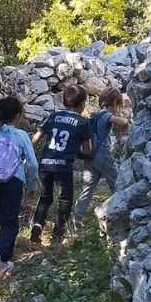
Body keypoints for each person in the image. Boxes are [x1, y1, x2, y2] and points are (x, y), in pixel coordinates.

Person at [0, 95, 38, 278]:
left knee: (5, 222)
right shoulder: (21, 135)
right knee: (11, 225)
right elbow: (32, 165)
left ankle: (2, 264)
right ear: (18, 116)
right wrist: (32, 188)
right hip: (13, 182)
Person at [29, 84, 91, 246]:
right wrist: (81, 151)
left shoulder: (53, 116)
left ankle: (38, 224)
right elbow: (87, 149)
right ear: (82, 104)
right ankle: (57, 234)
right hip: (63, 166)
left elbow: (37, 137)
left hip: (45, 164)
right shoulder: (83, 123)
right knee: (65, 201)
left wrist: (28, 154)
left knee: (45, 196)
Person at [73, 86, 131, 222]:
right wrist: (126, 125)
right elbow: (122, 122)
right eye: (118, 105)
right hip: (102, 155)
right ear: (115, 102)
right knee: (117, 183)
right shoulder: (106, 115)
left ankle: (77, 217)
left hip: (89, 157)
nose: (118, 108)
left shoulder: (94, 115)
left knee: (88, 188)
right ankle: (118, 213)